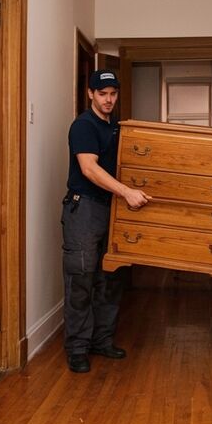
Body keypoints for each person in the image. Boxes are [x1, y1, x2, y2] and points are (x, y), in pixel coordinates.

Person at [62, 69, 150, 373]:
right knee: (81, 279)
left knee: (110, 277)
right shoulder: (83, 126)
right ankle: (77, 348)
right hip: (84, 209)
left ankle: (101, 340)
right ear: (90, 94)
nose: (109, 99)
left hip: (111, 208)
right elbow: (89, 169)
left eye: (113, 93)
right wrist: (126, 192)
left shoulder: (116, 128)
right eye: (102, 94)